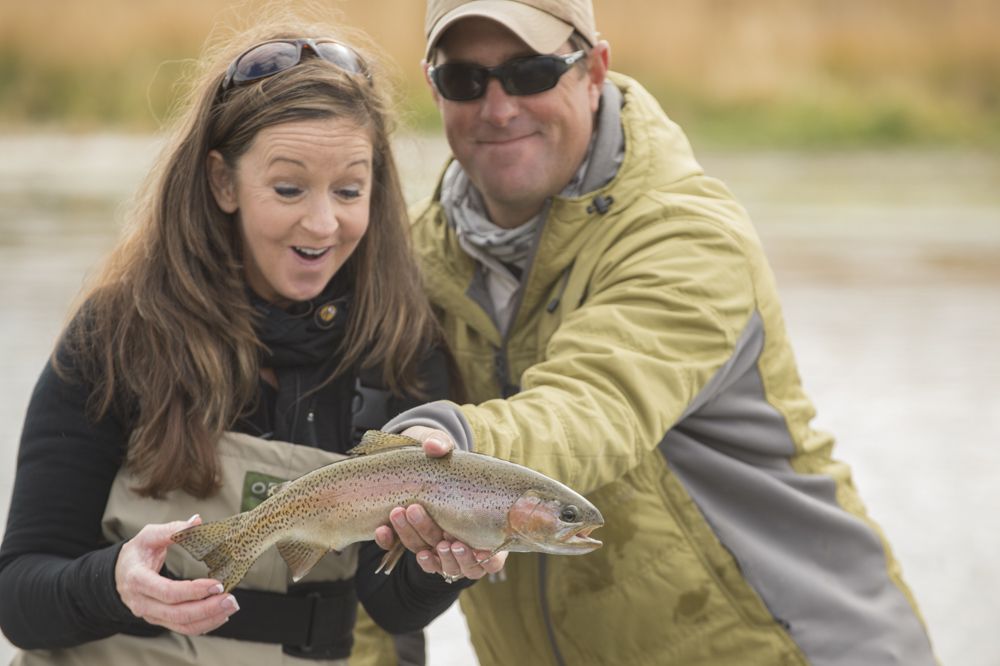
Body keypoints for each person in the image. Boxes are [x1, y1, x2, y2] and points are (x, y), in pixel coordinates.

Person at [373, 1, 940, 664]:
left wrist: (445, 451)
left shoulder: (689, 235)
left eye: (530, 73)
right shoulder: (406, 258)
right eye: (466, 80)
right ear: (433, 86)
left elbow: (593, 408)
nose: (498, 109)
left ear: (595, 71)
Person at [0, 15, 502, 666]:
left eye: (349, 189)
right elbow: (18, 597)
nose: (322, 223)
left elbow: (392, 607)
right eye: (289, 187)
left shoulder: (398, 349)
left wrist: (447, 561)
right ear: (221, 182)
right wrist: (114, 583)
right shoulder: (118, 335)